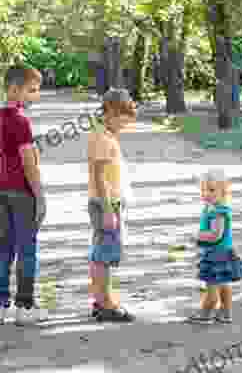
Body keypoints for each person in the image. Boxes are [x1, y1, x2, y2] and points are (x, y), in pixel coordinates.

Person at [0, 65, 47, 326]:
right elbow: (27, 162)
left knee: (4, 247)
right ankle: (24, 306)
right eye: (31, 90)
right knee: (26, 249)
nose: (35, 96)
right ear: (14, 89)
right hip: (21, 192)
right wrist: (40, 195)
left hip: (0, 189)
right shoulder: (20, 120)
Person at [87, 87, 137, 322]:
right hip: (105, 204)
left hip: (108, 203)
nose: (123, 128)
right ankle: (105, 303)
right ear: (112, 113)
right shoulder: (102, 138)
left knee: (102, 253)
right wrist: (108, 209)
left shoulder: (103, 135)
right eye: (122, 123)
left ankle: (101, 299)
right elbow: (99, 176)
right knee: (104, 255)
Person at [187, 168, 242, 324]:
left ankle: (206, 313)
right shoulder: (213, 208)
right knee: (223, 284)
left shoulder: (218, 212)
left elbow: (216, 234)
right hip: (223, 252)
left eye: (212, 190)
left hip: (215, 254)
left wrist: (197, 236)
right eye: (204, 190)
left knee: (212, 287)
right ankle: (225, 312)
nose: (206, 193)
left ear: (224, 191)